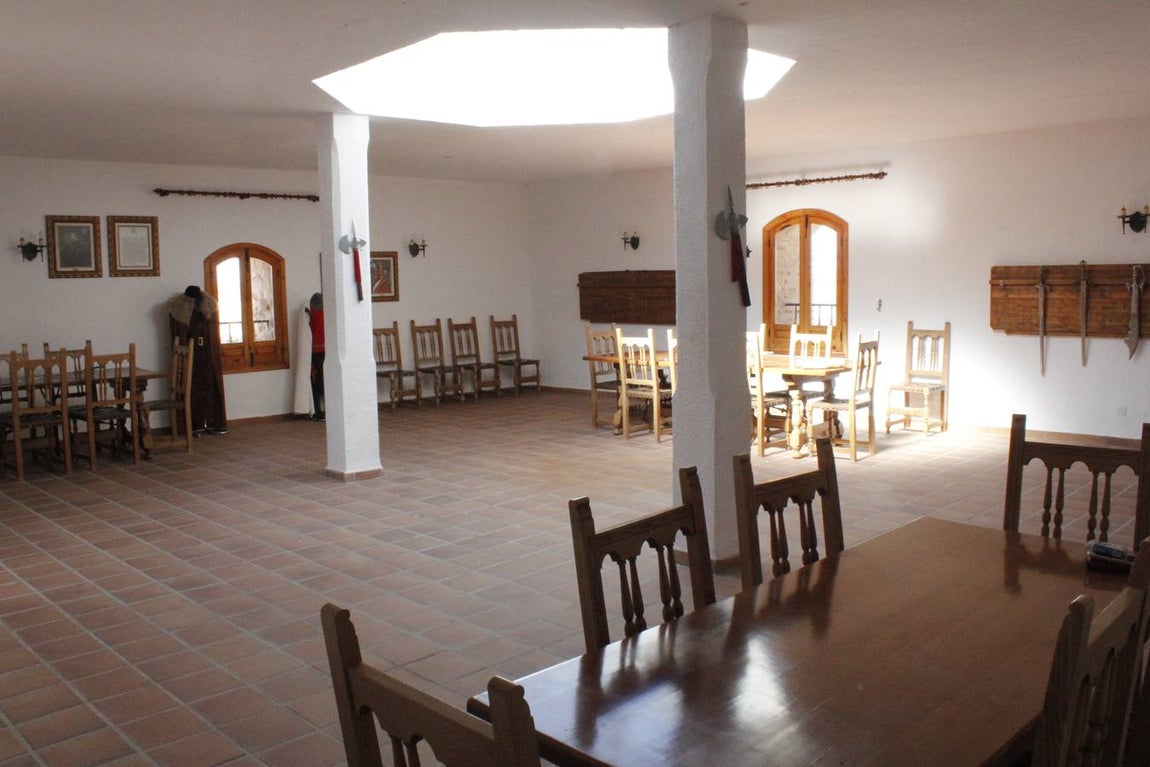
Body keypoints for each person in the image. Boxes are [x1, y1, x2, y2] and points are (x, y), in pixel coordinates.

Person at [168, 285, 228, 435]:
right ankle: (194, 424)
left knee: (209, 385)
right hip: (189, 354)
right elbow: (179, 334)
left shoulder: (209, 307)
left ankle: (213, 422)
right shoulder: (178, 310)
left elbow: (212, 332)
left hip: (207, 354)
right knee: (190, 386)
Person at [306, 292, 325, 421]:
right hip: (326, 353)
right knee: (324, 382)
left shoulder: (312, 316)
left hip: (314, 353)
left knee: (315, 382)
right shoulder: (327, 315)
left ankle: (318, 412)